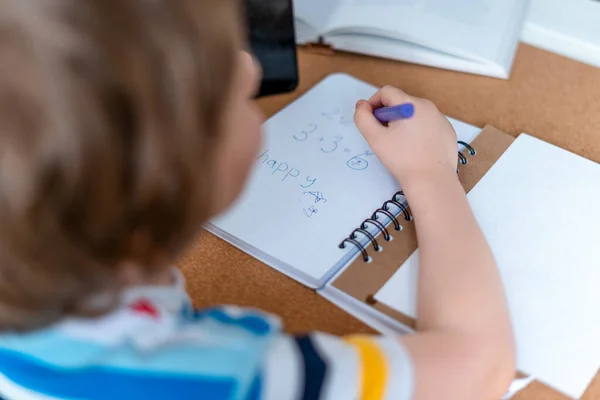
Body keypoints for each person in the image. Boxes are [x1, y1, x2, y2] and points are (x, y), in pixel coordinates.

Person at [0, 0, 515, 399]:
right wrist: (430, 174)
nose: (250, 69)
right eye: (226, 82)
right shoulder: (229, 378)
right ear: (172, 188)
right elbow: (479, 364)